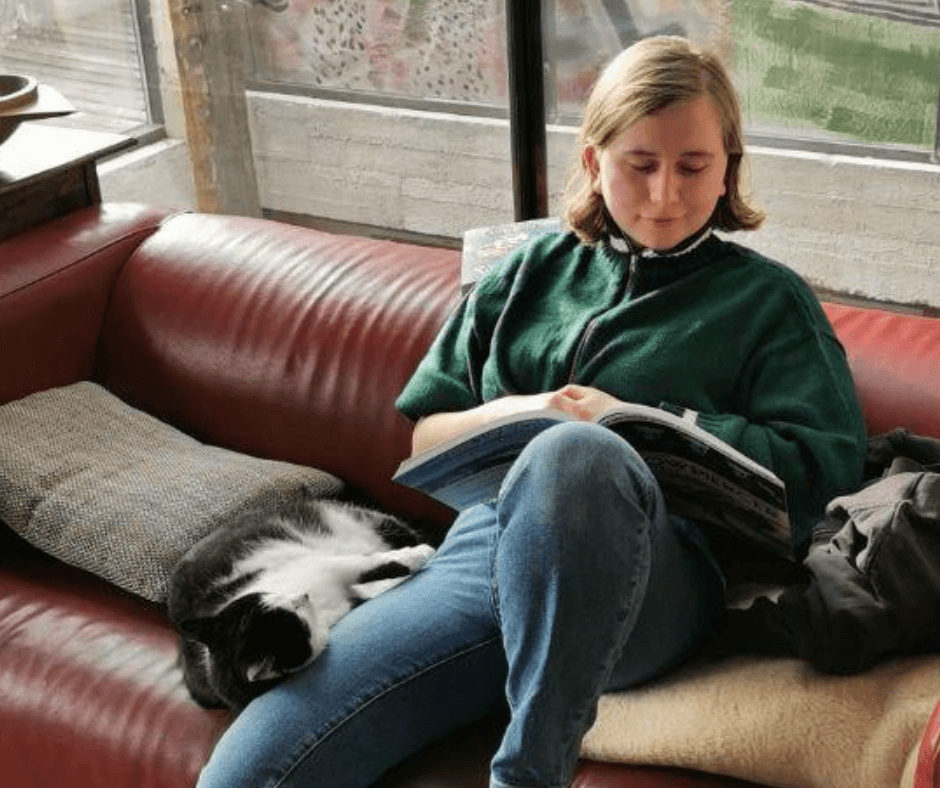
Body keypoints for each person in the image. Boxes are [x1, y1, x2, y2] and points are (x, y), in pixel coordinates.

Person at [195, 35, 867, 788]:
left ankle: (530, 772)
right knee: (247, 772)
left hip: (654, 583)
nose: (665, 196)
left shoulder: (770, 302)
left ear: (728, 168)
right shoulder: (526, 273)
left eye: (693, 167)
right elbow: (426, 434)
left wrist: (642, 418)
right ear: (593, 162)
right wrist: (527, 408)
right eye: (640, 165)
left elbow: (830, 466)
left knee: (575, 454)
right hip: (481, 561)